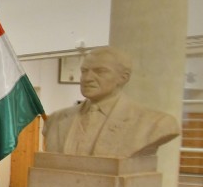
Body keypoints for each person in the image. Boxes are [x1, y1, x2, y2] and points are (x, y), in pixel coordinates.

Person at [43, 46, 179, 157]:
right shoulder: (56, 120)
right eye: (84, 71)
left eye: (100, 71)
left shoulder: (155, 123)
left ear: (123, 77)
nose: (87, 78)